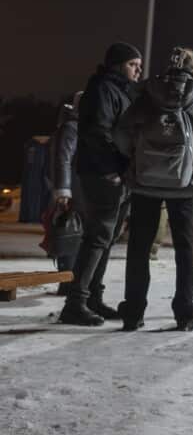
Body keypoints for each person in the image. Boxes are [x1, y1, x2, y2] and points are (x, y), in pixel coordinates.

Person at [114, 47, 193, 331]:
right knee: (185, 248)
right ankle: (185, 311)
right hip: (186, 185)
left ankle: (133, 311)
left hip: (145, 184)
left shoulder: (147, 94)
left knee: (139, 247)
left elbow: (122, 133)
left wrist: (137, 161)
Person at [59, 43, 142, 326]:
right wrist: (114, 170)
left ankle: (93, 296)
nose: (138, 70)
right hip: (104, 174)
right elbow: (99, 133)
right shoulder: (102, 89)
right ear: (118, 65)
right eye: (133, 64)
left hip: (120, 175)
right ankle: (75, 302)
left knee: (106, 238)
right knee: (97, 237)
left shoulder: (119, 90)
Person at [44, 92, 83, 295]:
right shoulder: (73, 127)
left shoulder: (73, 126)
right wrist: (63, 191)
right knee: (70, 235)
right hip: (73, 192)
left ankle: (70, 281)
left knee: (72, 235)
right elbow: (63, 158)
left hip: (74, 189)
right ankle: (67, 282)